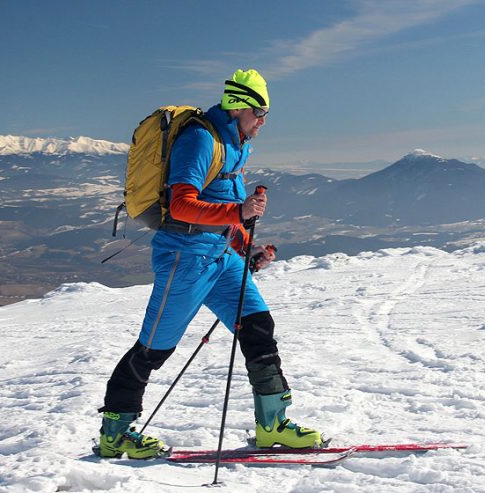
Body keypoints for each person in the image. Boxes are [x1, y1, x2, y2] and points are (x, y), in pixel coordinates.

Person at [97, 69, 325, 459]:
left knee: (258, 327)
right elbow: (181, 203)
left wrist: (246, 247)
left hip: (221, 255)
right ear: (238, 108)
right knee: (153, 349)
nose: (263, 120)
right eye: (259, 111)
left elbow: (220, 203)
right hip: (185, 258)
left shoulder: (236, 143)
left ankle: (272, 425)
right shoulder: (201, 140)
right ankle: (115, 433)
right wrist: (239, 210)